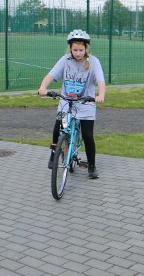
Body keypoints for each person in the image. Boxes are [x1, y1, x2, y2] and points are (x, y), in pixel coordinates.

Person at [38, 29, 106, 179]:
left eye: (81, 50)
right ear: (70, 48)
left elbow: (100, 80)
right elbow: (51, 75)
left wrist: (100, 95)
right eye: (75, 50)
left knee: (88, 135)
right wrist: (43, 87)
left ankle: (92, 166)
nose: (78, 53)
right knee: (58, 128)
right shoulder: (65, 60)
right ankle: (54, 154)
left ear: (86, 49)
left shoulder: (93, 61)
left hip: (86, 103)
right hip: (66, 102)